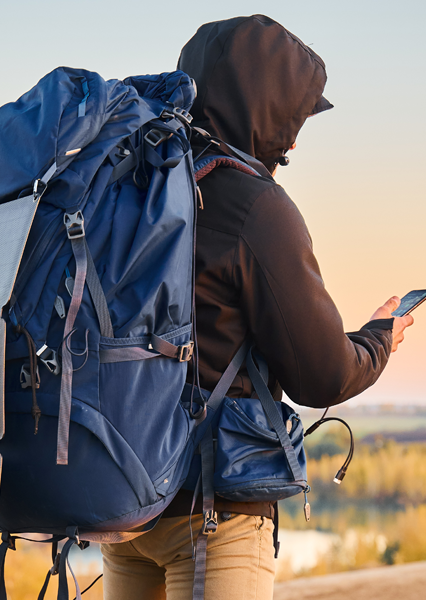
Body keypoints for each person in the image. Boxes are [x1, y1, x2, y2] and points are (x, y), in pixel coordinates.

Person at [100, 14, 414, 600]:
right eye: (291, 117)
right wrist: (379, 337)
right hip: (214, 513)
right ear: (262, 107)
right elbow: (322, 373)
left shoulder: (128, 188)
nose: (293, 139)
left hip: (124, 505)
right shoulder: (253, 205)